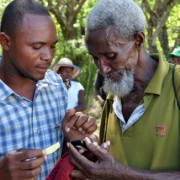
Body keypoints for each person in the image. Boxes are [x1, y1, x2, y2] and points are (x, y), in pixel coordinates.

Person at [68, 0, 180, 179]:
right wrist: (93, 153)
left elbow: (117, 172)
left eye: (111, 56)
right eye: (95, 59)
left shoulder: (176, 83)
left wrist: (122, 174)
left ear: (138, 40)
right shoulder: (114, 94)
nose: (103, 69)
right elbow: (112, 164)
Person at [0, 0, 96, 179]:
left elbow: (61, 153)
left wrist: (75, 140)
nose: (48, 56)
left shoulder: (56, 86)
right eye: (37, 47)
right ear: (5, 42)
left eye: (52, 46)